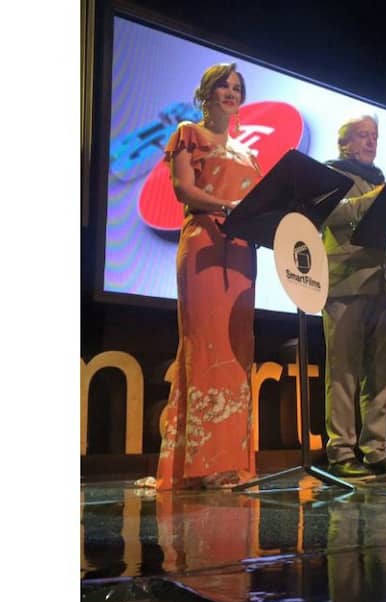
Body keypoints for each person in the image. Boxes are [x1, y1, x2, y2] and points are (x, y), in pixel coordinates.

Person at [154, 63, 261, 490]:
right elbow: (183, 189)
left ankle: (230, 461)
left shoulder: (249, 153)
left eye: (237, 87)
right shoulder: (188, 133)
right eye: (223, 86)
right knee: (205, 347)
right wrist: (226, 206)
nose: (231, 93)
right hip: (203, 242)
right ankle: (201, 465)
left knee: (236, 350)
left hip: (242, 252)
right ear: (207, 93)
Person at [320, 114, 386, 479]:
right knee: (343, 373)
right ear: (345, 144)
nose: (371, 141)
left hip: (380, 285)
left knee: (380, 374)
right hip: (344, 282)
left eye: (374, 136)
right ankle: (341, 452)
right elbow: (331, 215)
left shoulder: (382, 180)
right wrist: (375, 199)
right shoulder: (331, 174)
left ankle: (376, 451)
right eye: (363, 135)